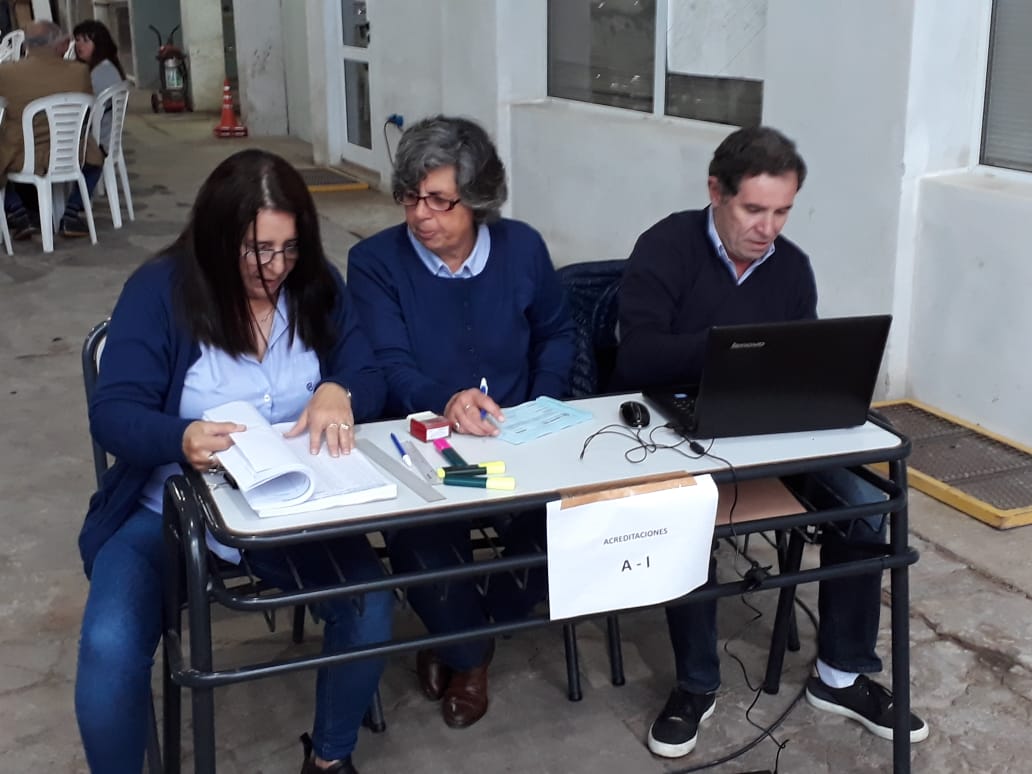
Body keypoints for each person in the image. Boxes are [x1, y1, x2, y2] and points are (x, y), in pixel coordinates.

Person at [611, 126, 929, 759]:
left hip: (770, 425)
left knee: (869, 503)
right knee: (687, 516)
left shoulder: (792, 267)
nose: (768, 228)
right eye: (753, 209)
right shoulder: (666, 247)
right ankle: (697, 685)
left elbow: (802, 358)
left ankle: (840, 675)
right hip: (677, 424)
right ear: (716, 192)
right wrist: (730, 348)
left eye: (782, 212)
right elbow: (637, 357)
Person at [76, 149, 391, 774]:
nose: (274, 268)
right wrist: (180, 438)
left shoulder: (315, 284)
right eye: (256, 250)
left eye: (289, 248)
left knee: (370, 605)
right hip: (170, 512)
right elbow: (113, 413)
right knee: (109, 647)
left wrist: (341, 389)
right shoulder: (161, 292)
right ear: (218, 238)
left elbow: (368, 372)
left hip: (289, 507)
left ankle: (330, 759)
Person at [347, 115, 576, 729]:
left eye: (438, 200)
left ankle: (455, 639)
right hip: (425, 448)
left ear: (477, 200)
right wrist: (444, 400)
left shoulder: (521, 248)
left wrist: (542, 404)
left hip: (518, 441)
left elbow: (557, 333)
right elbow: (388, 363)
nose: (420, 215)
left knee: (559, 531)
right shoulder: (375, 262)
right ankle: (470, 657)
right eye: (409, 197)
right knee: (420, 546)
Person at [0, 20, 102, 241]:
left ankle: (17, 212)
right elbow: (87, 110)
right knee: (96, 159)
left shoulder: (6, 73)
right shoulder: (79, 71)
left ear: (27, 44)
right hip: (70, 153)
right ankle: (72, 213)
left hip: (22, 155)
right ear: (59, 45)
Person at [58, 18, 127, 238]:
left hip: (98, 139)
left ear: (100, 43)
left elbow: (83, 109)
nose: (79, 45)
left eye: (86, 41)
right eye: (77, 40)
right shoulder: (102, 67)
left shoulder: (100, 73)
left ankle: (69, 210)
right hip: (101, 135)